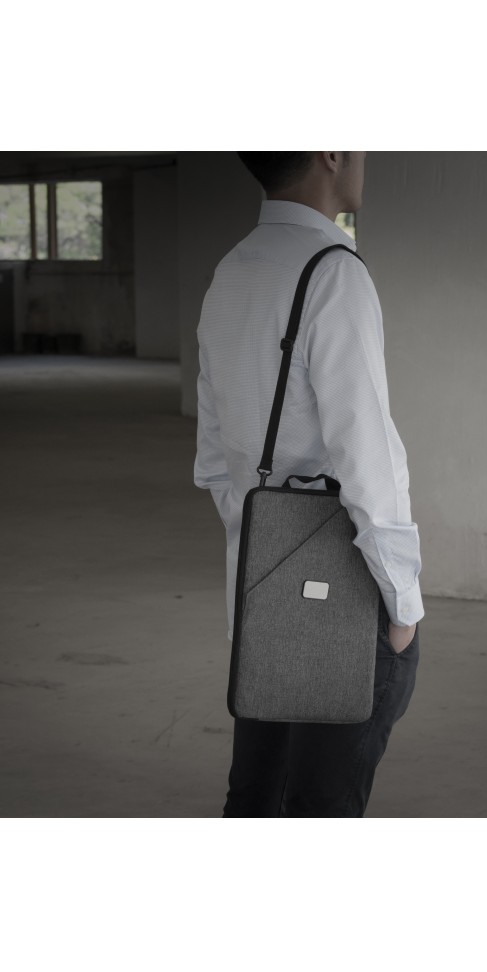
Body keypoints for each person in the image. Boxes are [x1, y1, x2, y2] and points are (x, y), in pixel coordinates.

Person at [194, 152, 425, 817]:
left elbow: (214, 459)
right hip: (341, 586)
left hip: (260, 582)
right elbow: (367, 456)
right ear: (329, 151)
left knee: (256, 791)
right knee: (323, 801)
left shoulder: (232, 269)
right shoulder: (334, 272)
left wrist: (258, 550)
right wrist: (401, 604)